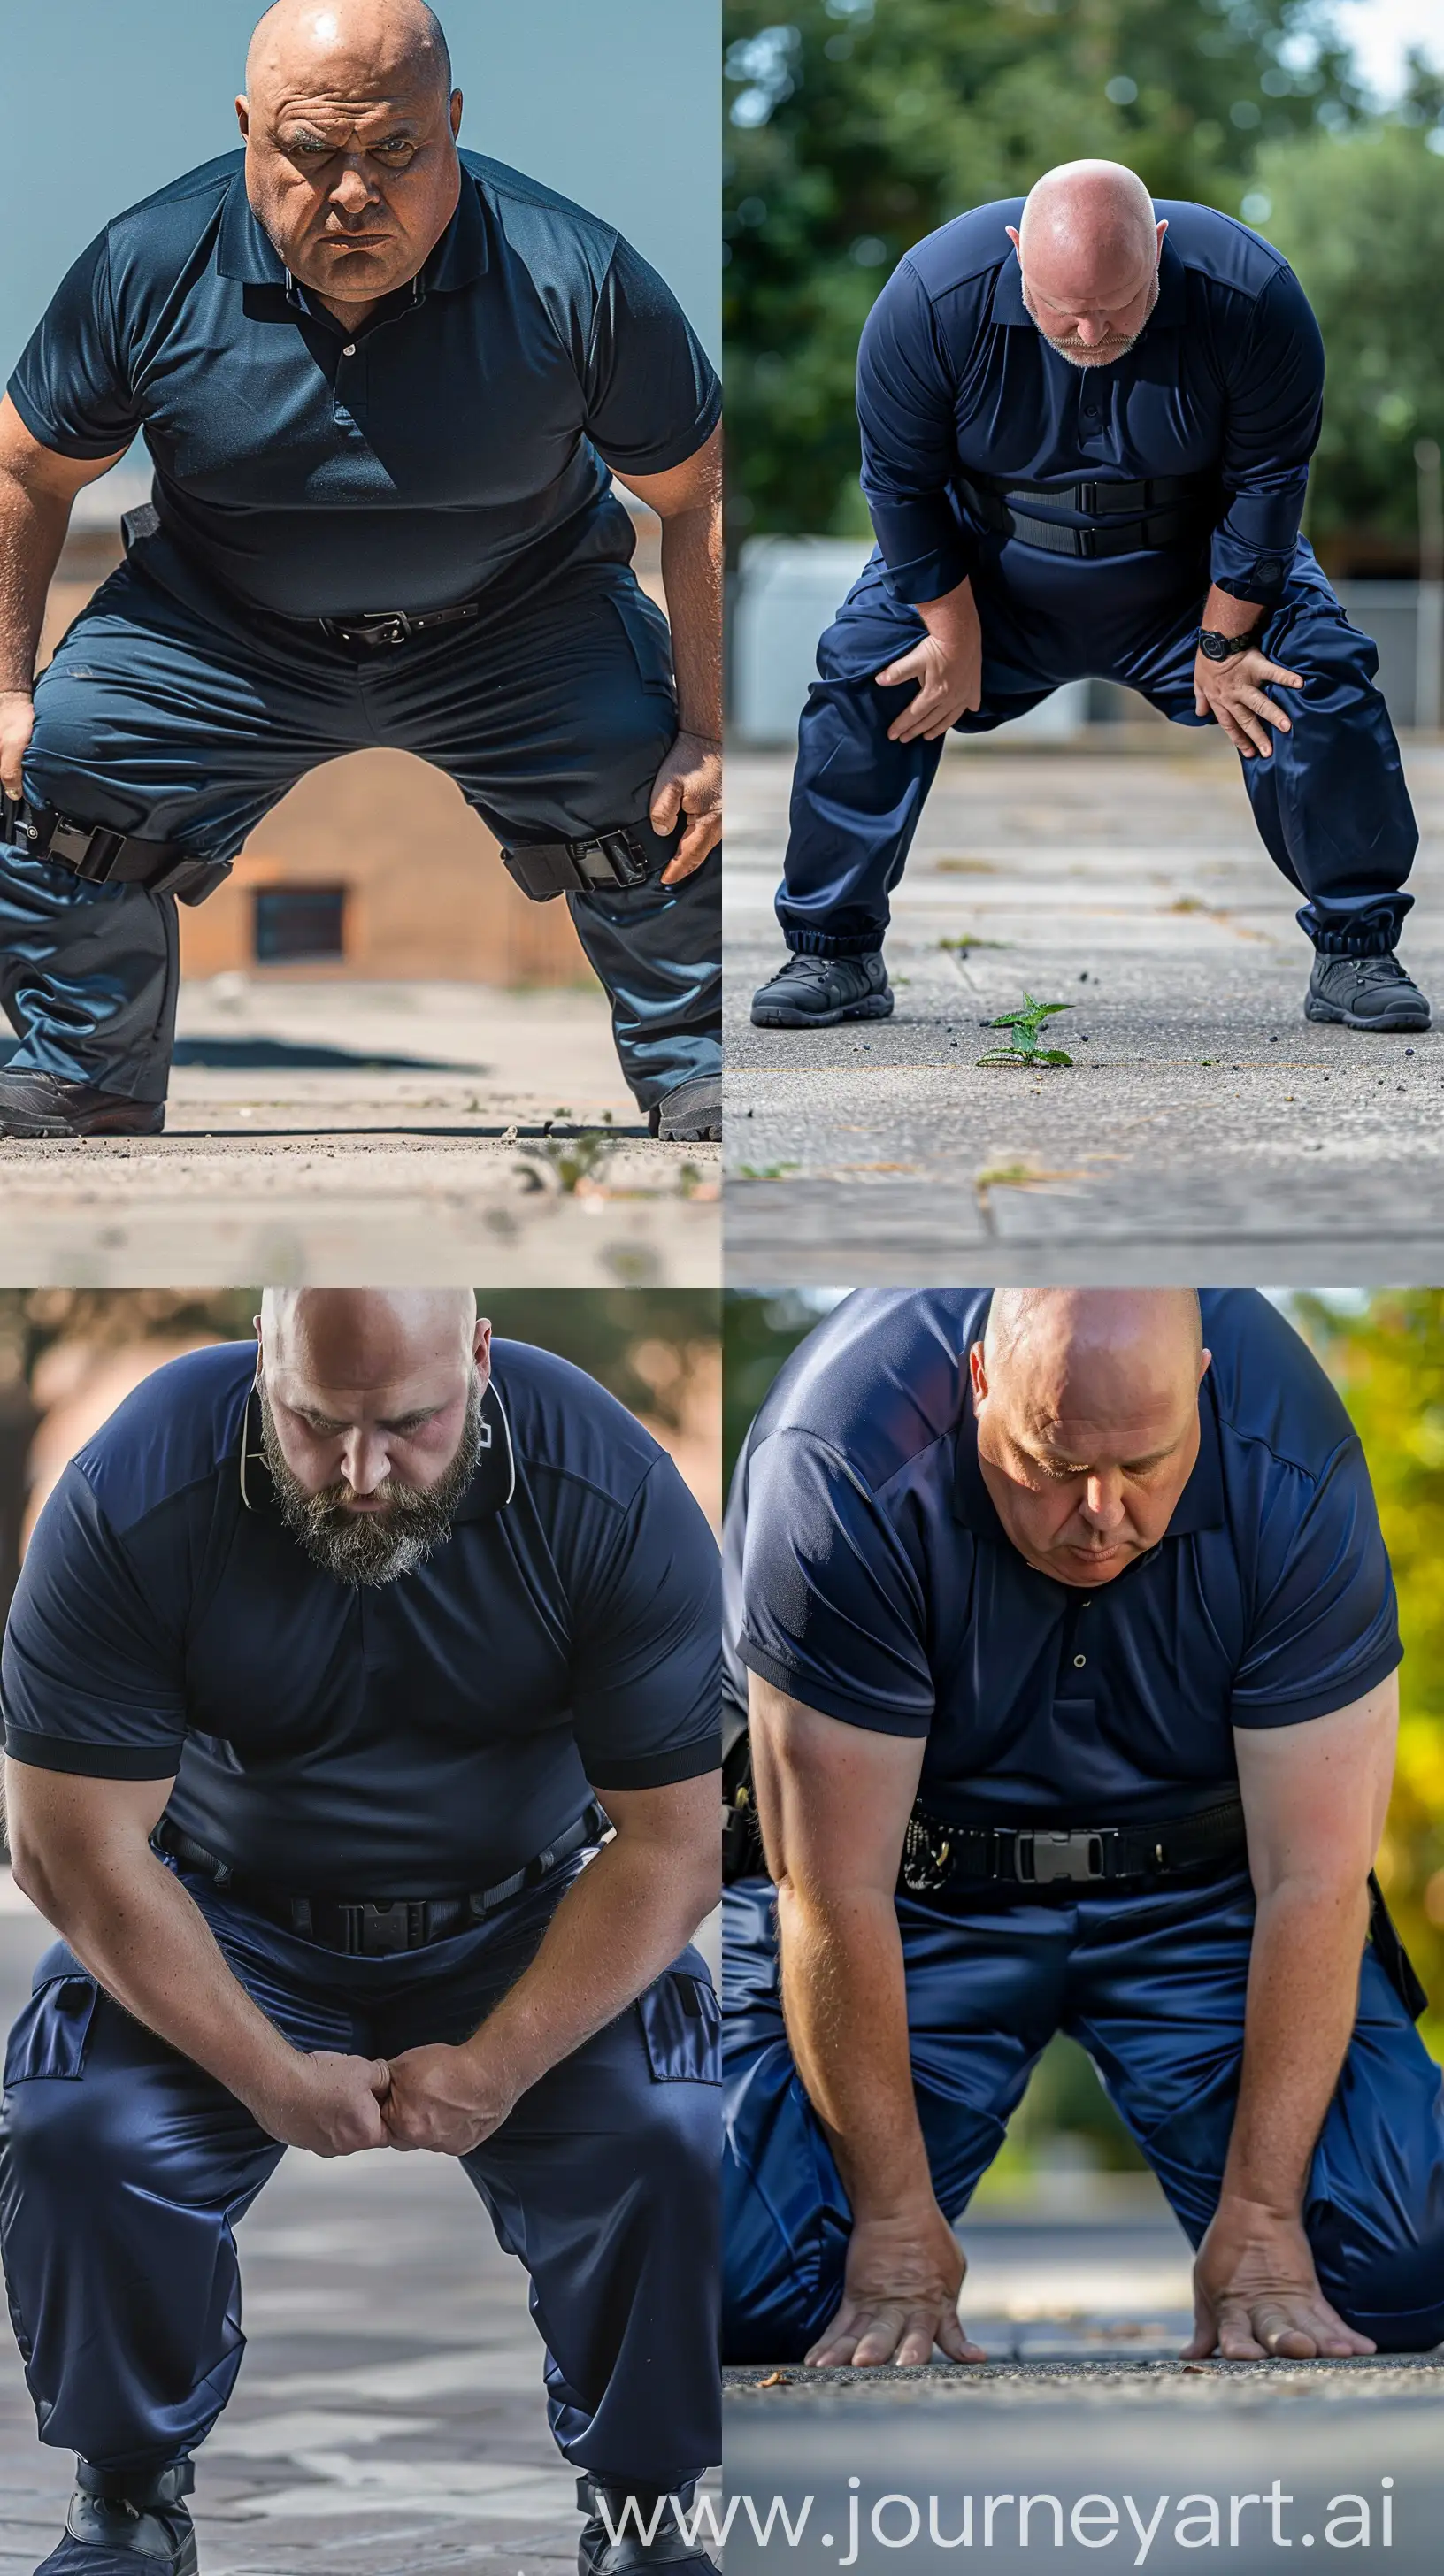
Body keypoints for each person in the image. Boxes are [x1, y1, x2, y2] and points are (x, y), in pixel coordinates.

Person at [0, 1290, 722, 2576]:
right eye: (313, 1423)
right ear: (261, 1362)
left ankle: (645, 2512)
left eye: (411, 1425)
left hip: (527, 1916)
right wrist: (269, 2075)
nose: (360, 1473)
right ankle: (127, 2493)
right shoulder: (136, 1487)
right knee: (80, 2129)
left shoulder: (608, 1488)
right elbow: (72, 1849)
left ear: (481, 1361)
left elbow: (675, 1843)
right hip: (231, 1921)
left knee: (669, 2129)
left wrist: (498, 2065)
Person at [0, 0, 723, 1144]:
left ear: (453, 124)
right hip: (222, 631)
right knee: (66, 763)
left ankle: (702, 1064)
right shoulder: (150, 261)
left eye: (396, 151)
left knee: (655, 781)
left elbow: (700, 497)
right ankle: (85, 1068)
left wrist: (711, 731)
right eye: (309, 151)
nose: (352, 192)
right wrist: (5, 692)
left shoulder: (573, 271)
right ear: (247, 129)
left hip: (520, 628)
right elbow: (25, 473)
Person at [720, 1287, 1444, 2369]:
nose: (1102, 1510)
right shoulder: (839, 1463)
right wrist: (895, 2229)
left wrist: (1261, 2220)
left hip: (1204, 1897)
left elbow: (1317, 1876)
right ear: (979, 1385)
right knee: (747, 2285)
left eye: (1146, 1465)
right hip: (914, 1895)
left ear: (1200, 1383)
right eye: (1055, 1468)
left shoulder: (1291, 1461)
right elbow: (832, 1888)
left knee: (1395, 2266)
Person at [750, 160, 1428, 1039]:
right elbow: (901, 488)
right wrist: (953, 637)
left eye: (1115, 307)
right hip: (990, 572)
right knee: (867, 673)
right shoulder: (927, 299)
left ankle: (1358, 949)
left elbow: (1269, 484)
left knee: (1315, 675)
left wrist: (1223, 647)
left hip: (1191, 573)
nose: (1085, 330)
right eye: (1058, 306)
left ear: (1158, 251)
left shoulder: (1253, 295)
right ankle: (831, 950)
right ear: (1013, 254)